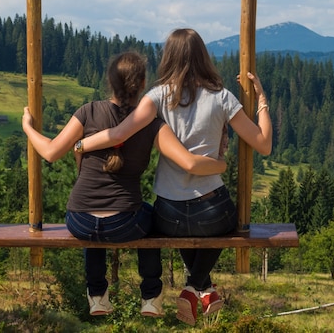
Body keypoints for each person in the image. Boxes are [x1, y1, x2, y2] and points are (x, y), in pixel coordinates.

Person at [78, 28, 272, 326]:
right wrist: (262, 102)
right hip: (212, 210)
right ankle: (196, 286)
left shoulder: (155, 97)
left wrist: (80, 144)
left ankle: (203, 289)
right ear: (203, 57)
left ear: (168, 57)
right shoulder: (222, 98)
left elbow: (119, 133)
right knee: (226, 223)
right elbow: (263, 144)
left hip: (169, 212)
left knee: (184, 225)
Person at [21, 51, 226, 318]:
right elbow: (187, 161)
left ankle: (97, 296)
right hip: (125, 223)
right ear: (142, 84)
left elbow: (49, 152)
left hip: (79, 220)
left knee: (92, 228)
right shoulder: (152, 125)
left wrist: (28, 127)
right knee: (154, 219)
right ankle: (150, 296)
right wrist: (219, 160)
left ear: (110, 82)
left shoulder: (88, 112)